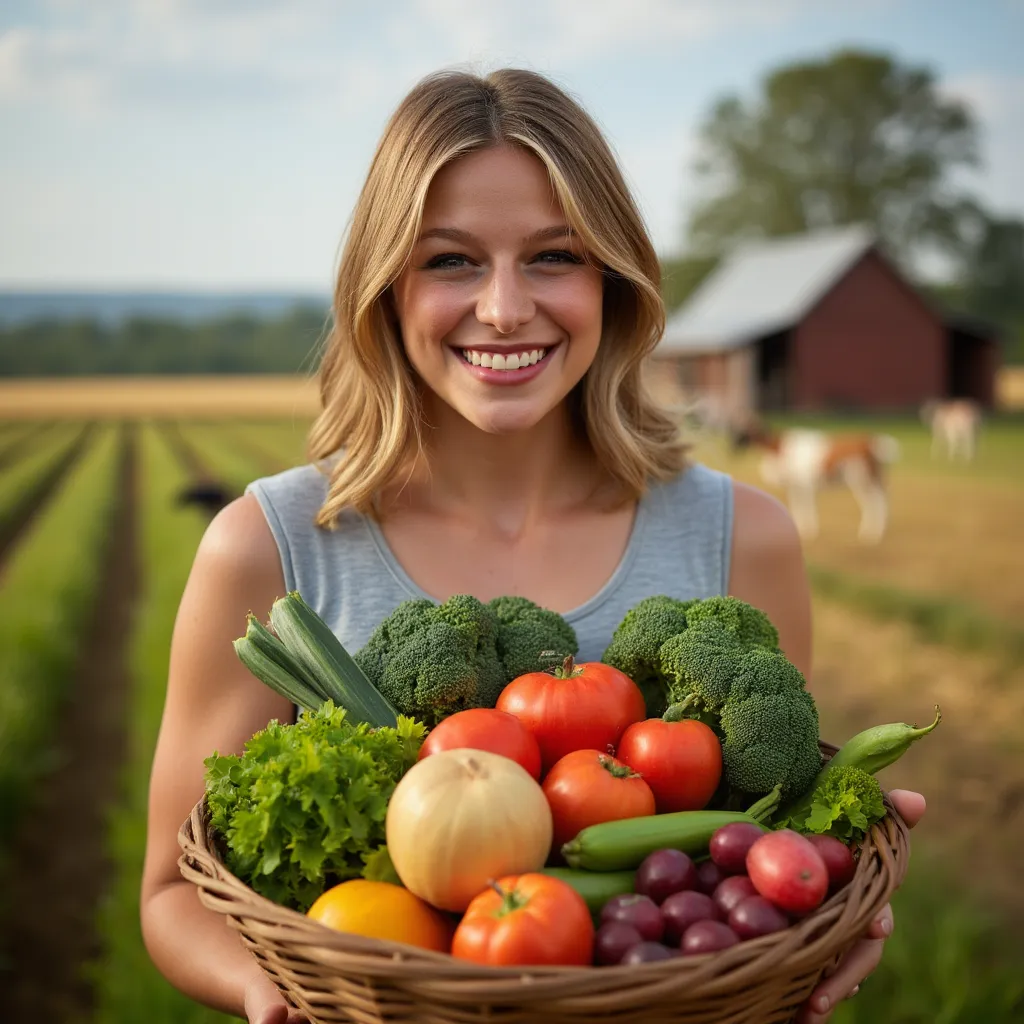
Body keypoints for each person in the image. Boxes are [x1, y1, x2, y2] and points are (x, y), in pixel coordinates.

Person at [140, 68, 926, 1024]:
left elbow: (764, 822)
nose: (506, 309)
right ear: (384, 287)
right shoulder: (266, 550)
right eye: (451, 261)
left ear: (614, 279)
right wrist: (274, 997)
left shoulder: (745, 538)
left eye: (554, 256)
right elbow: (174, 896)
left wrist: (828, 901)